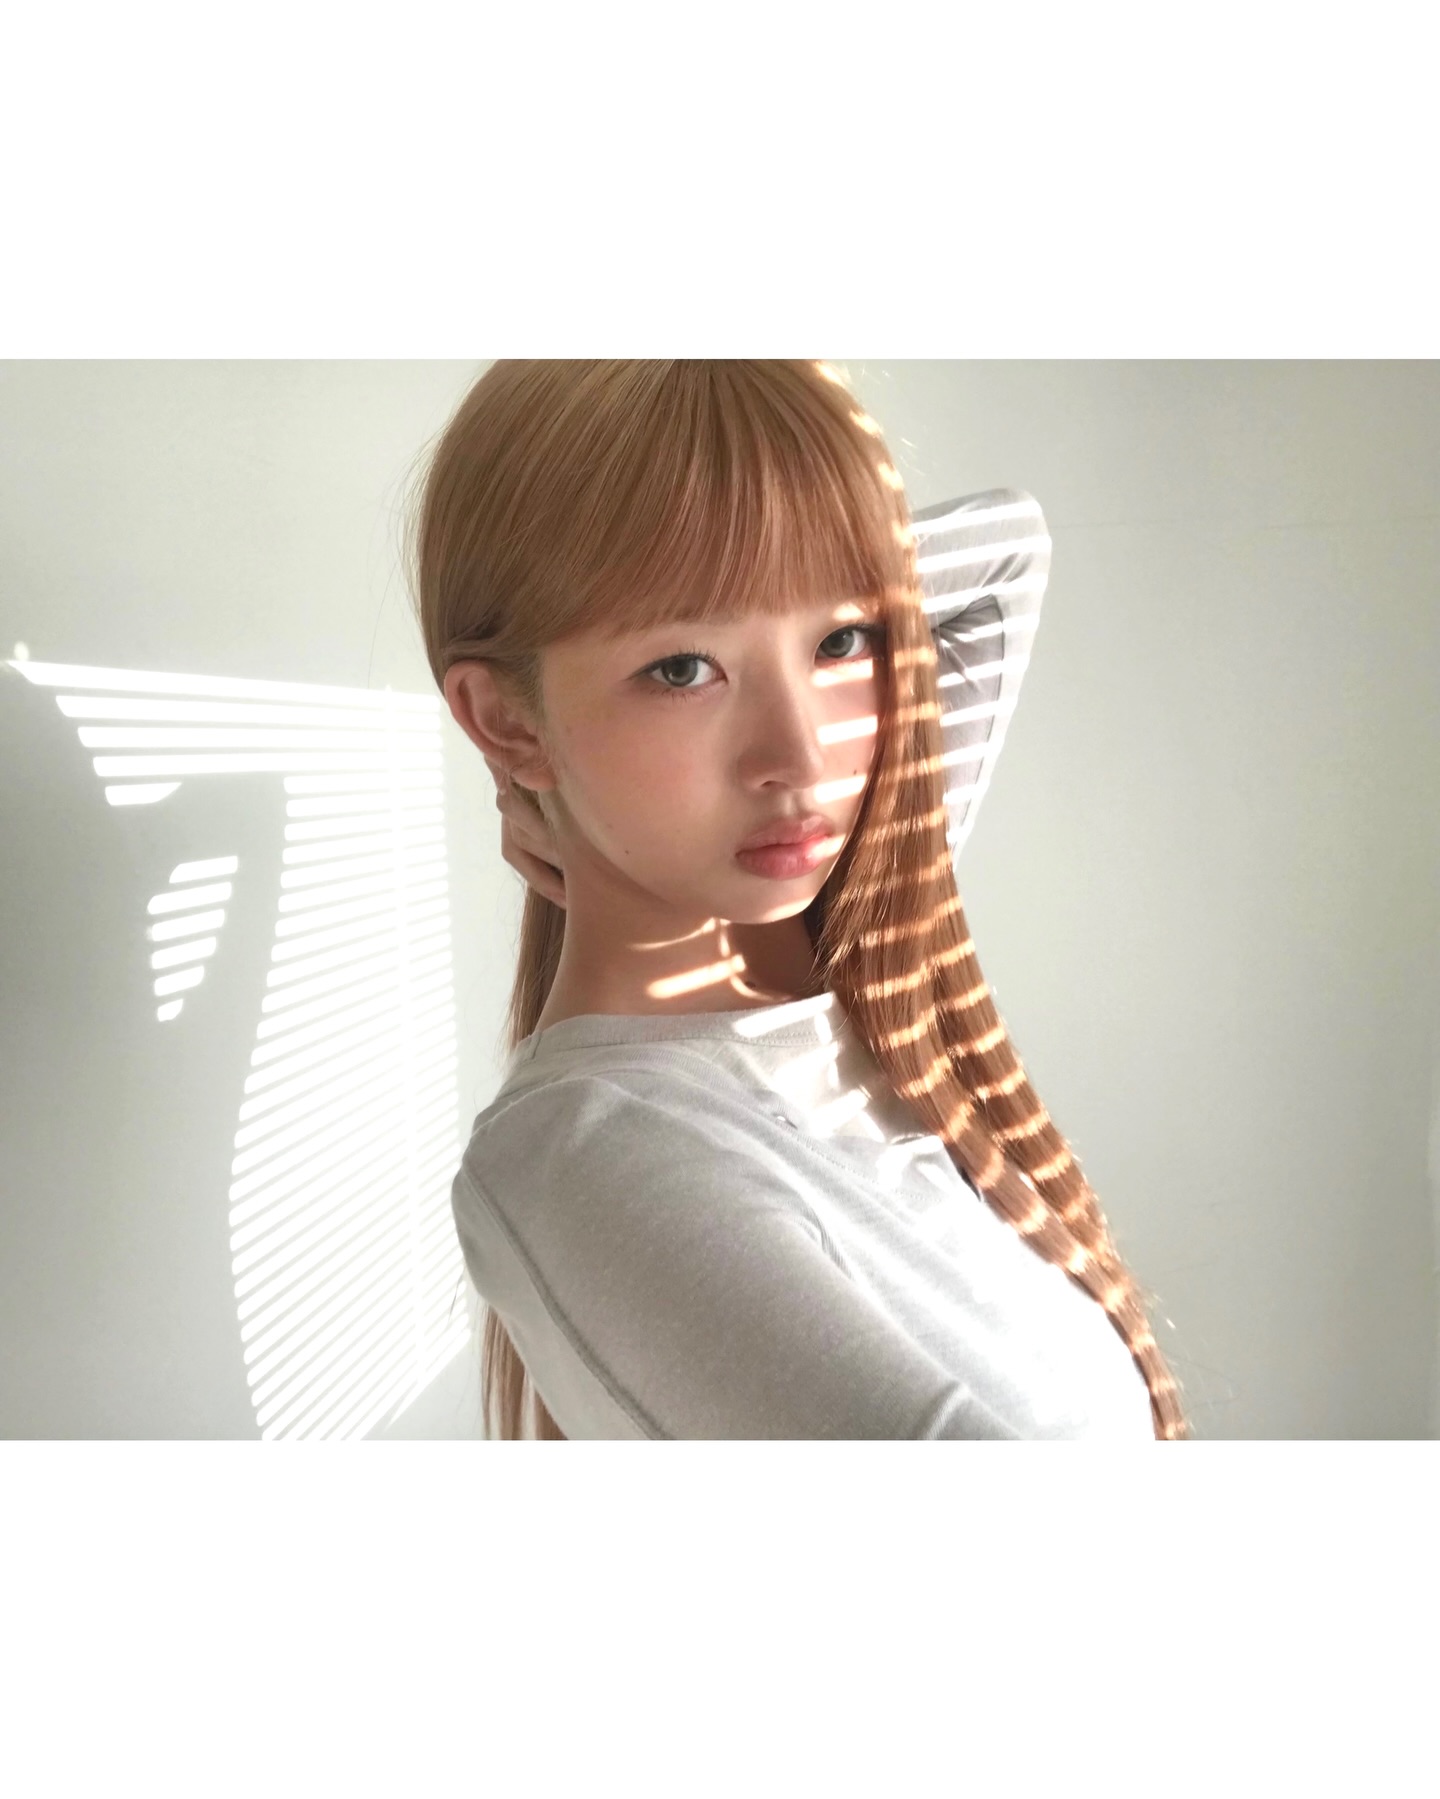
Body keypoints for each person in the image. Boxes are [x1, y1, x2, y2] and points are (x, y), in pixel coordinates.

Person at [406, 359, 1187, 1440]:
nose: (806, 757)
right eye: (683, 668)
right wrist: (534, 773)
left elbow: (1011, 548)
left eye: (840, 642)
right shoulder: (594, 1158)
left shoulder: (861, 939)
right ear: (503, 717)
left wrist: (550, 777)